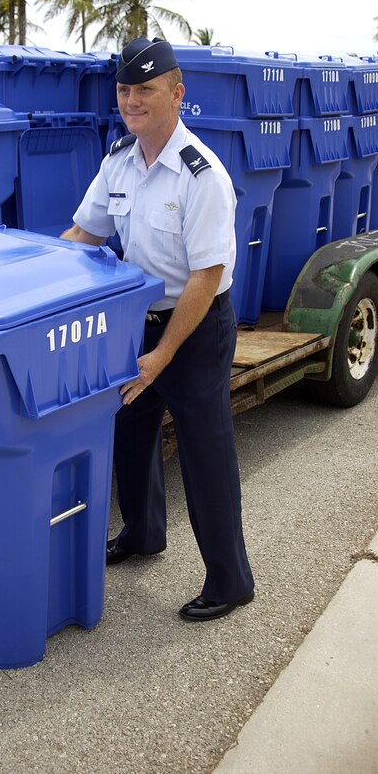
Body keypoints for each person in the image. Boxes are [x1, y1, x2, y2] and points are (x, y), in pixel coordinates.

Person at [61, 37, 254, 622]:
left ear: (177, 94)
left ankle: (230, 579)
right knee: (129, 428)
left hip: (193, 329)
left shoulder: (203, 176)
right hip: (134, 320)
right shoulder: (118, 160)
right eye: (124, 90)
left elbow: (205, 277)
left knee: (204, 449)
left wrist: (163, 355)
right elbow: (83, 235)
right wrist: (33, 278)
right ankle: (143, 534)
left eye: (145, 89)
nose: (131, 100)